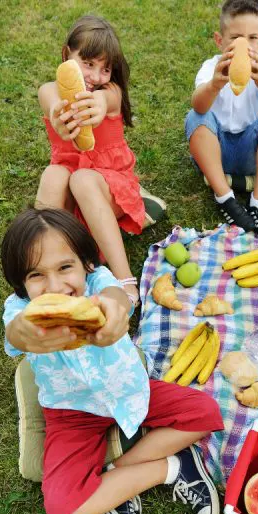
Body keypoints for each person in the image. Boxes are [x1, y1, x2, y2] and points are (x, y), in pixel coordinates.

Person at [1, 208, 223, 514]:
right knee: (63, 508)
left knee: (206, 412)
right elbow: (16, 333)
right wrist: (26, 332)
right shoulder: (20, 310)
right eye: (36, 275)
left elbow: (116, 297)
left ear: (85, 264)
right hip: (71, 414)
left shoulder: (98, 281)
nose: (56, 287)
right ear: (21, 283)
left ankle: (117, 478)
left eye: (65, 267)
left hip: (132, 391)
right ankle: (170, 469)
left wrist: (113, 314)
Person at [35, 15, 164, 307]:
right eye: (88, 64)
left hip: (111, 188)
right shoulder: (50, 90)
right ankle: (44, 268)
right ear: (68, 55)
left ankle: (124, 281)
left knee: (83, 179)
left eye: (105, 69)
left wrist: (98, 106)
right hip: (73, 193)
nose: (95, 77)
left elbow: (107, 101)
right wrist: (59, 114)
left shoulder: (110, 93)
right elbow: (50, 100)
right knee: (54, 175)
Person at [186, 0, 258, 240]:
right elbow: (198, 105)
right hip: (216, 153)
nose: (245, 44)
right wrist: (214, 84)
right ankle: (225, 197)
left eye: (252, 38)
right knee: (196, 116)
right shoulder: (212, 67)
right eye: (235, 38)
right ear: (219, 40)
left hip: (253, 152)